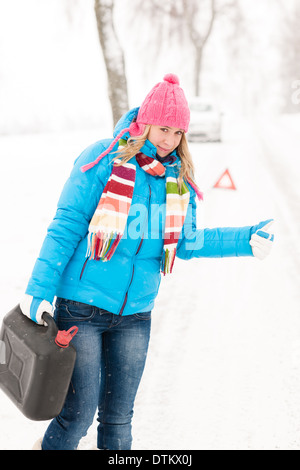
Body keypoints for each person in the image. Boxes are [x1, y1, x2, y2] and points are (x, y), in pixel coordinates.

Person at [20, 74, 274, 450]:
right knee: (79, 414)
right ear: (145, 123)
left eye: (177, 132)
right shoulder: (104, 159)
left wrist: (244, 239)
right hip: (82, 310)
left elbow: (187, 243)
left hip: (136, 315)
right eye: (163, 128)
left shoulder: (177, 179)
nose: (169, 140)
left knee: (119, 419)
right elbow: (66, 226)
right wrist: (38, 289)